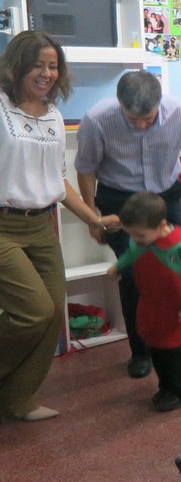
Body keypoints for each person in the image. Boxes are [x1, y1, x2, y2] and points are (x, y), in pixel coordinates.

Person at [0, 31, 120, 422]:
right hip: (3, 226)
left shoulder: (52, 114)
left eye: (53, 66)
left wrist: (93, 218)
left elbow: (58, 179)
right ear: (17, 65)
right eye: (38, 65)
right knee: (33, 310)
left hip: (41, 225)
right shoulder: (1, 107)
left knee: (53, 314)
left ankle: (19, 399)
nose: (46, 73)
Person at [75, 70, 181, 379]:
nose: (141, 126)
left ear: (159, 103)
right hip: (120, 201)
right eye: (133, 119)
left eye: (148, 119)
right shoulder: (97, 119)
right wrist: (92, 218)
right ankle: (141, 351)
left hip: (165, 198)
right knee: (136, 276)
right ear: (119, 104)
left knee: (178, 271)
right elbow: (86, 169)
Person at [107, 192, 181, 412]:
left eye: (140, 236)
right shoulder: (141, 240)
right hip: (154, 309)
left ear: (162, 225)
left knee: (180, 356)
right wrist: (119, 265)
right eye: (131, 235)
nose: (136, 240)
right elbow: (132, 253)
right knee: (159, 352)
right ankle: (166, 387)